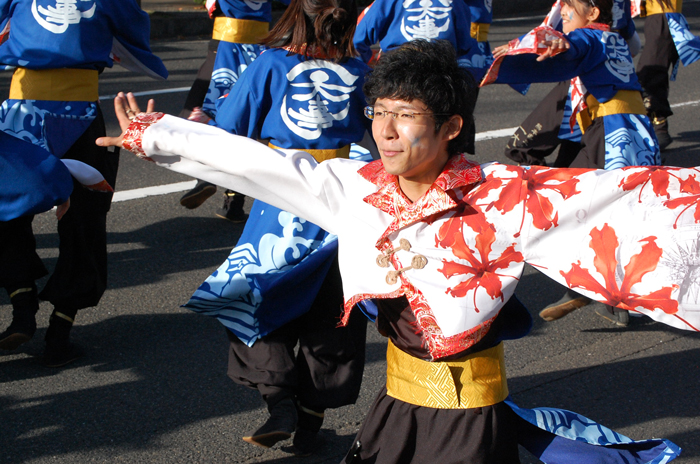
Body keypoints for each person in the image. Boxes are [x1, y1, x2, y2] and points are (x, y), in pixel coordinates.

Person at [100, 39, 693, 463]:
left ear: (451, 127)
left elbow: (632, 197)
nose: (384, 131)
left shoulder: (505, 195)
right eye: (378, 114)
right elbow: (263, 164)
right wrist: (156, 136)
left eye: (405, 117)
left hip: (467, 419)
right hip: (396, 407)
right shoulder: (356, 187)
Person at [175, 0, 371, 455]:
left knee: (255, 292)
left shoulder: (271, 63)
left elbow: (230, 127)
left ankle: (279, 400)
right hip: (342, 204)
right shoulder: (363, 71)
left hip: (281, 204)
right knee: (333, 314)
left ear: (295, 14)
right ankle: (308, 425)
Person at [0, 0, 167, 367]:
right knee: (84, 218)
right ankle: (59, 333)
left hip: (21, 112)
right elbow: (134, 32)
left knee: (7, 206)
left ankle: (22, 304)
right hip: (79, 112)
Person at [178, 0, 290, 221]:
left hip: (226, 41)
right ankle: (233, 204)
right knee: (248, 116)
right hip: (260, 42)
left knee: (206, 111)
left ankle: (206, 174)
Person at [635, 0, 700, 151]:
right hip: (659, 16)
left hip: (663, 15)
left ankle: (659, 127)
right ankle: (655, 128)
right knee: (650, 73)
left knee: (649, 74)